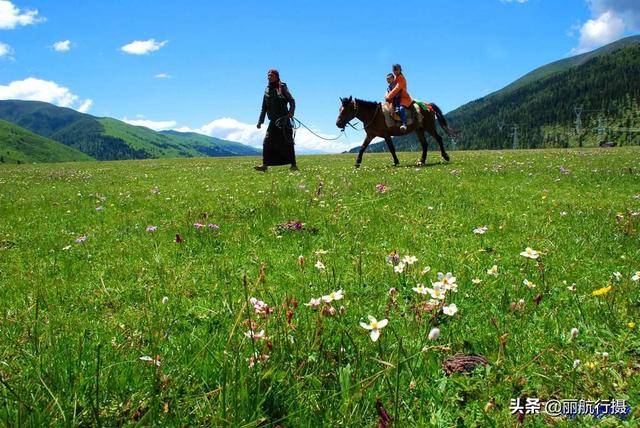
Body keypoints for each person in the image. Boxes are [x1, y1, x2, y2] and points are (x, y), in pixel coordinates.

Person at [255, 69, 298, 172]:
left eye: (271, 75)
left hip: (284, 121)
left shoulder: (281, 87)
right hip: (273, 122)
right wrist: (260, 121)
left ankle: (293, 165)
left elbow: (291, 100)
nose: (269, 77)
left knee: (288, 143)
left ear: (276, 77)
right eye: (268, 75)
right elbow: (264, 108)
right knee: (267, 142)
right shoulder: (266, 90)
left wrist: (290, 113)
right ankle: (265, 165)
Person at [384, 64, 413, 131]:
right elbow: (388, 91)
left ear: (400, 70)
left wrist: (388, 97)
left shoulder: (401, 78)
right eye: (394, 70)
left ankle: (404, 124)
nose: (395, 71)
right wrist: (386, 96)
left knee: (401, 108)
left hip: (403, 98)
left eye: (396, 70)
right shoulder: (396, 78)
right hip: (394, 98)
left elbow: (396, 89)